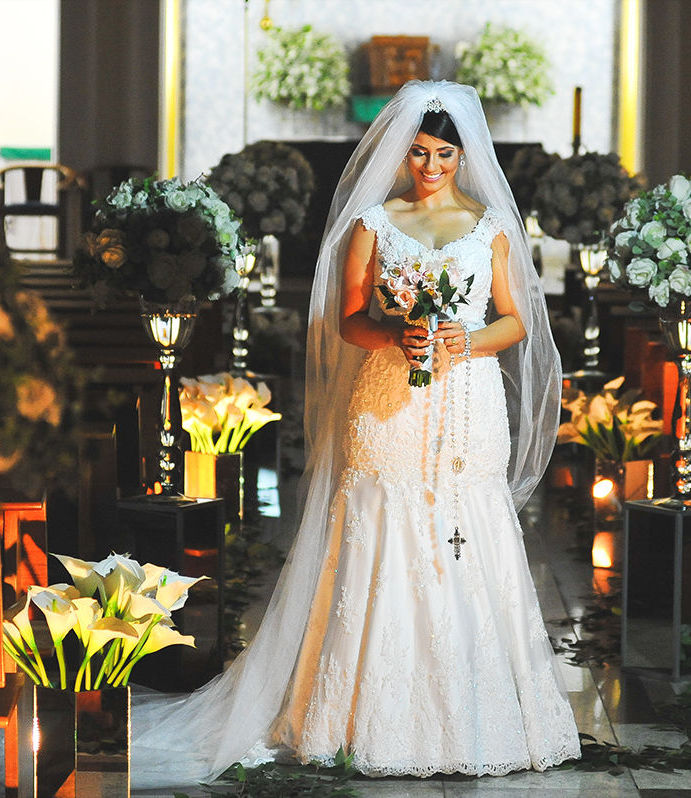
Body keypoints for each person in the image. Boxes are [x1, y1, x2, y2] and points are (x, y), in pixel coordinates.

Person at [131, 80, 578, 786]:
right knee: (384, 523)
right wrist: (398, 333)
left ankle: (478, 714)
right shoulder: (373, 221)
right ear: (402, 150)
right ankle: (360, 717)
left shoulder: (491, 225)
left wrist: (469, 339)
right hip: (386, 397)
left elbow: (516, 319)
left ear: (464, 155)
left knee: (467, 528)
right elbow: (347, 320)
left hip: (466, 397)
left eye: (443, 154)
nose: (429, 166)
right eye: (419, 152)